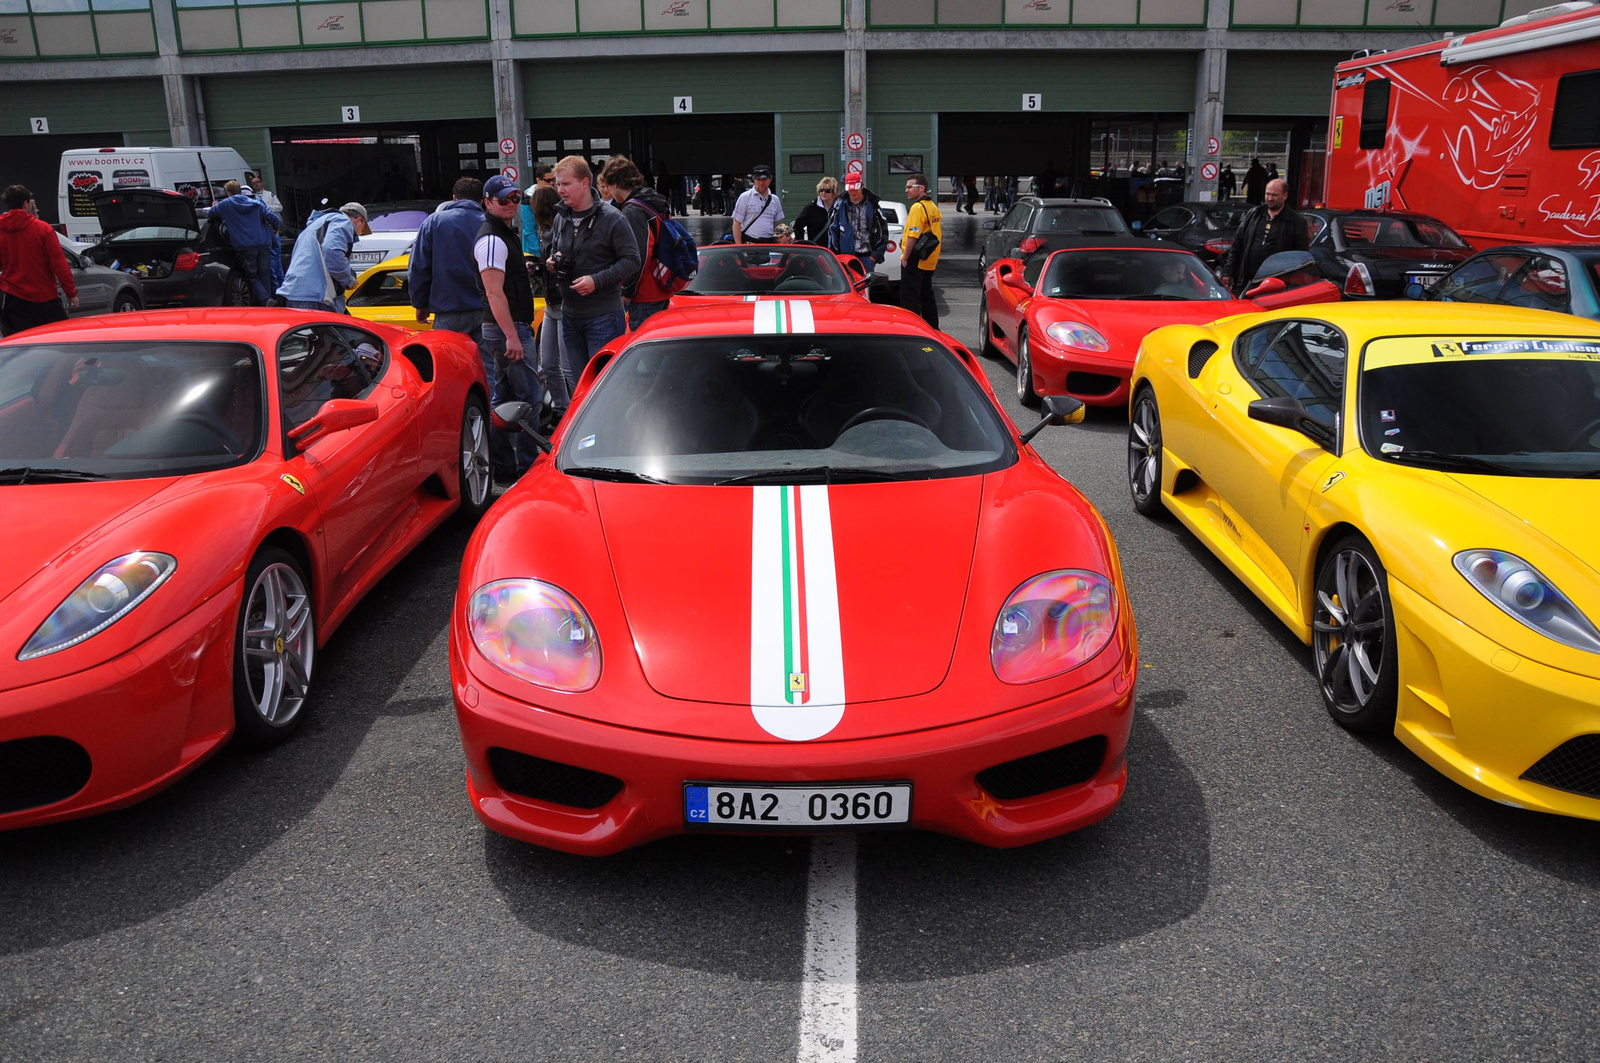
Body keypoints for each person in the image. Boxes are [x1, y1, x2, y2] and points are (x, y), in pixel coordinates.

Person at [547, 155, 640, 385]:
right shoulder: (561, 218)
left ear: (585, 183)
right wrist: (553, 260)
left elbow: (632, 261)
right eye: (558, 184)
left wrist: (596, 280)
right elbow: (558, 251)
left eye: (566, 184)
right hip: (569, 315)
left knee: (606, 386)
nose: (561, 190)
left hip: (603, 317)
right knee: (581, 386)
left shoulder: (613, 219)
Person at [475, 175, 545, 481]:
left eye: (515, 198)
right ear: (487, 202)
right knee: (529, 398)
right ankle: (528, 466)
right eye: (503, 200)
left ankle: (504, 466)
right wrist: (513, 336)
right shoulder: (492, 239)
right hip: (507, 328)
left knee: (502, 400)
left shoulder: (501, 234)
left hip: (503, 327)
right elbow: (493, 292)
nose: (511, 204)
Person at [600, 155, 673, 331]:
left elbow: (639, 255)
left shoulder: (632, 210)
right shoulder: (650, 200)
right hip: (660, 286)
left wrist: (628, 291)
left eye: (608, 186)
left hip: (644, 293)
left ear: (615, 184)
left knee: (642, 346)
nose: (608, 191)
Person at [411, 176, 486, 335]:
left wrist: (420, 303)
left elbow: (419, 266)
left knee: (449, 357)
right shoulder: (490, 223)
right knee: (485, 359)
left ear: (454, 198)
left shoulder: (434, 222)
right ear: (482, 200)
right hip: (486, 310)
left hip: (448, 310)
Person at [0, 184, 75, 336]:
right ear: (26, 203)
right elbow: (59, 264)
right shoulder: (43, 229)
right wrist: (71, 293)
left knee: (19, 344)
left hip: (13, 298)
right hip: (45, 298)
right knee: (59, 340)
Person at [1219, 178, 1309, 296]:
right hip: (1247, 281)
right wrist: (1228, 272)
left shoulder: (1296, 221)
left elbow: (1301, 255)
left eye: (1274, 195)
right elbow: (1237, 245)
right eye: (1267, 194)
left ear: (1285, 195)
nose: (1270, 198)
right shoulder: (1253, 214)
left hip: (1277, 285)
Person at [276, 202, 369, 312]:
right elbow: (332, 251)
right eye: (362, 230)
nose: (358, 235)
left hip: (295, 293)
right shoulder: (343, 221)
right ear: (358, 220)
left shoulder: (314, 226)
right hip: (315, 296)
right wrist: (348, 279)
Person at [530, 185, 571, 422]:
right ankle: (561, 410)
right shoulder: (544, 231)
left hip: (564, 304)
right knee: (547, 363)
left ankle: (576, 413)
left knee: (567, 366)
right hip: (550, 304)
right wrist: (536, 267)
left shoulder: (560, 230)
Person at [210, 178, 282, 305]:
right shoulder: (256, 203)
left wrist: (214, 206)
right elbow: (273, 218)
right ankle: (268, 305)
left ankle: (265, 300)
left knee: (252, 276)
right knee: (264, 275)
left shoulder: (225, 205)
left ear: (228, 192)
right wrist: (275, 230)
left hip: (245, 246)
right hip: (263, 243)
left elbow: (210, 214)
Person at [823, 172, 887, 277]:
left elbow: (883, 231)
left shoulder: (874, 206)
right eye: (850, 190)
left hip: (867, 257)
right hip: (845, 258)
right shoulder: (839, 207)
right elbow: (832, 232)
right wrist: (836, 255)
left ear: (861, 186)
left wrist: (875, 256)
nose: (853, 193)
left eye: (855, 189)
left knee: (865, 290)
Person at [899, 172, 942, 328]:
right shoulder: (932, 206)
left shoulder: (918, 207)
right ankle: (933, 328)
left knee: (910, 298)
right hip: (929, 259)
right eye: (906, 187)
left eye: (910, 187)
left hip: (915, 259)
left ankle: (910, 329)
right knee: (926, 295)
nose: (907, 190)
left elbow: (912, 236)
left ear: (922, 188)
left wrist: (905, 257)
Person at [732, 164, 783, 244]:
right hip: (749, 243)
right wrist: (739, 247)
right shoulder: (745, 197)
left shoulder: (775, 200)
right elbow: (736, 224)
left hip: (768, 243)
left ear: (770, 180)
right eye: (758, 180)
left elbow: (776, 224)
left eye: (764, 179)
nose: (761, 183)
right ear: (754, 180)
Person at [793, 177, 836, 244]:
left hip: (835, 250)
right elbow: (797, 226)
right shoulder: (810, 208)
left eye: (827, 191)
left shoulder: (839, 208)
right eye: (821, 190)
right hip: (816, 249)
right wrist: (803, 243)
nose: (824, 193)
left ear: (834, 192)